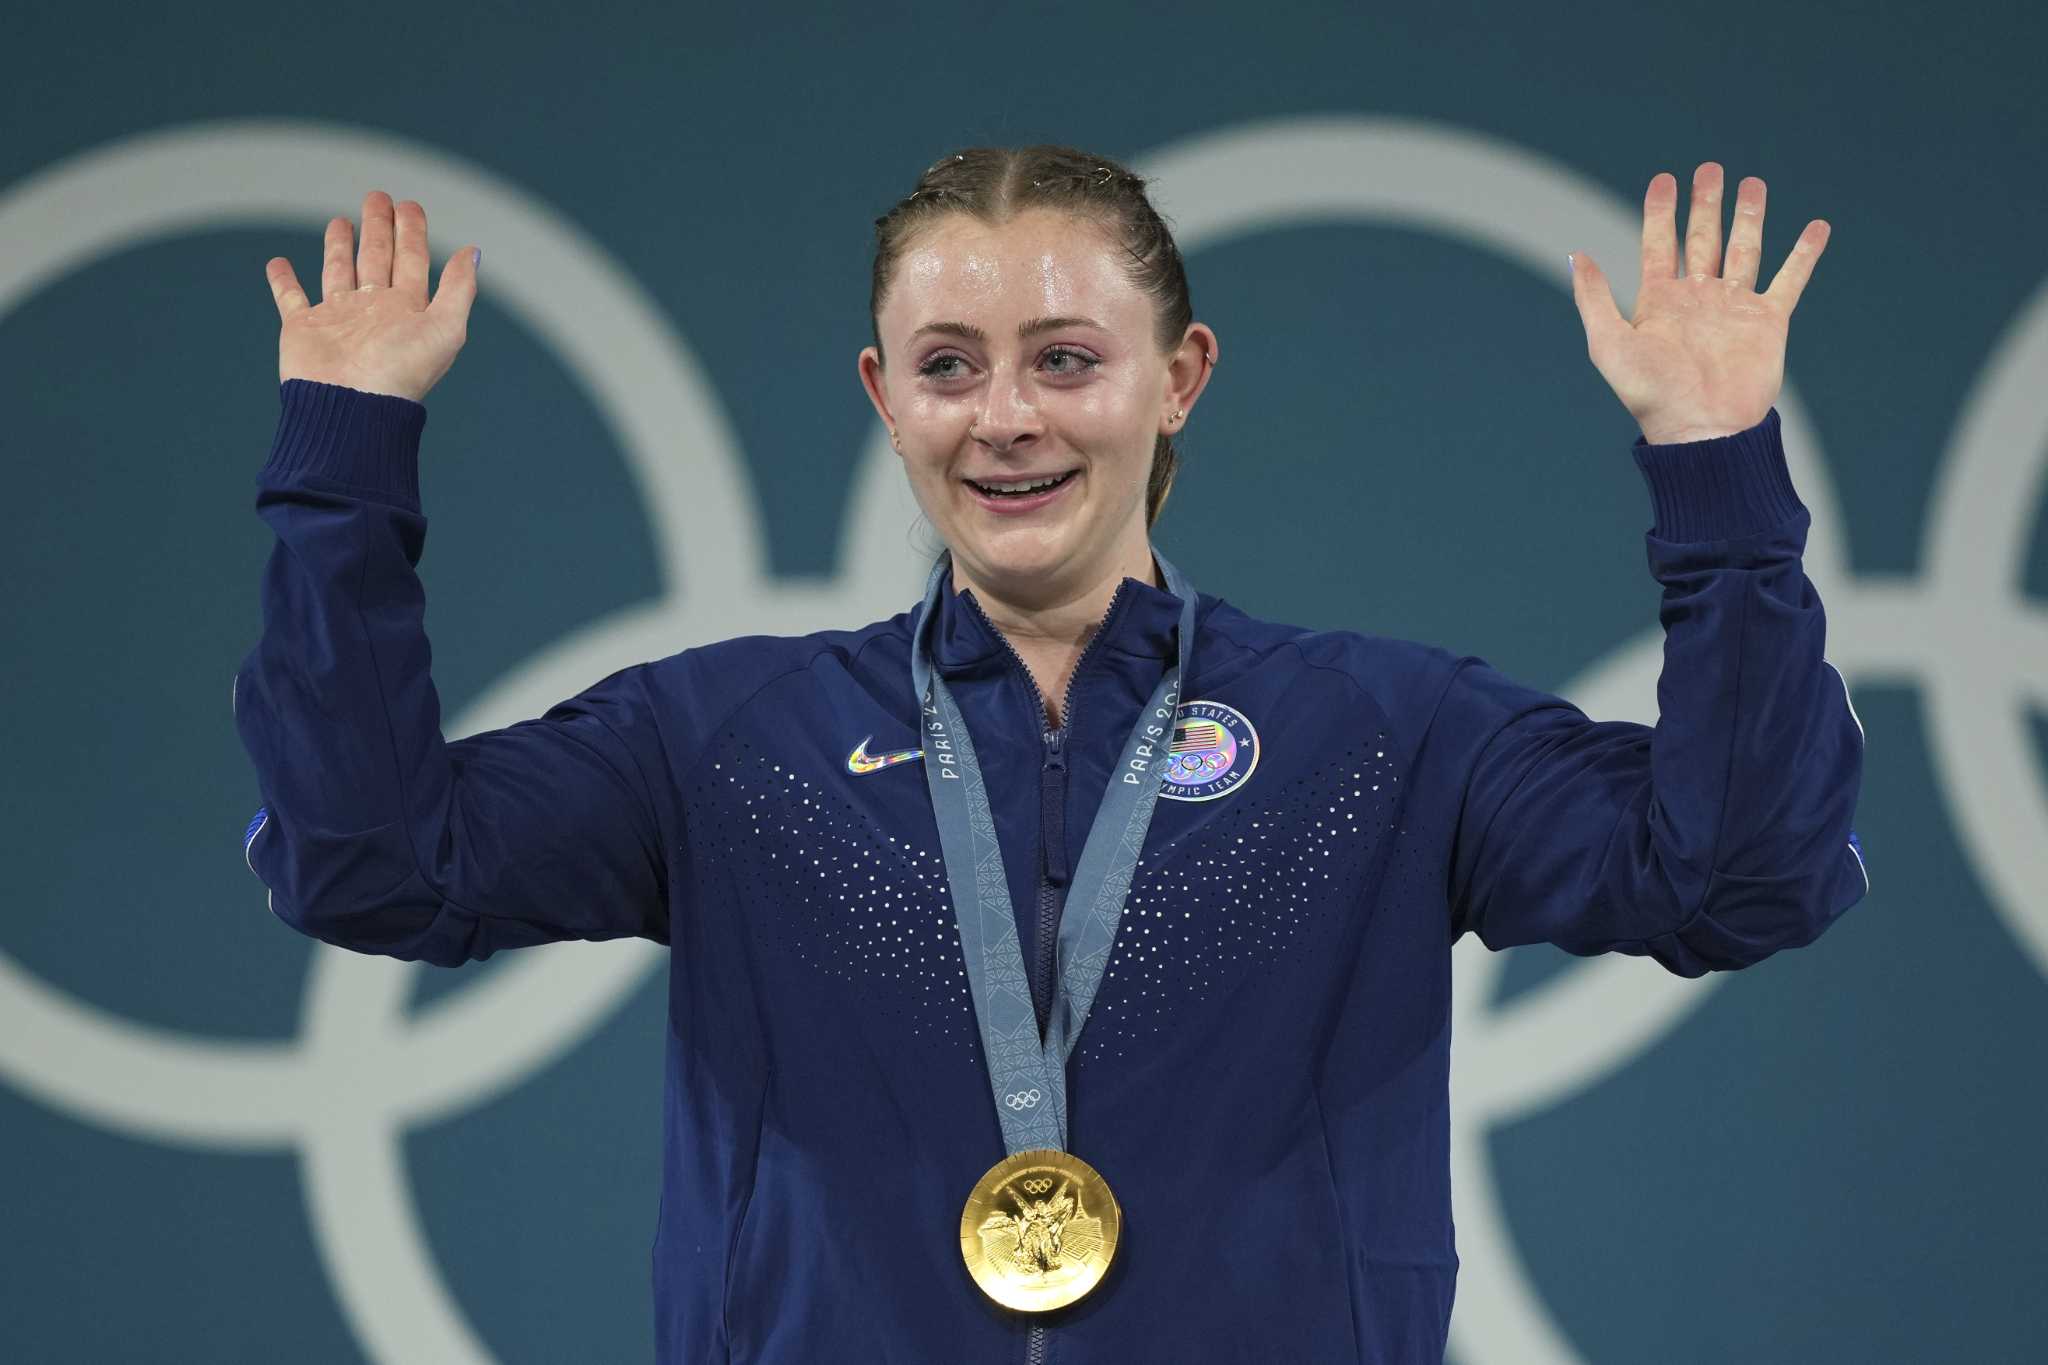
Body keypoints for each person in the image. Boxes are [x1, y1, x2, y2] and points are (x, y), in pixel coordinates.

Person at [237, 145, 1867, 1363]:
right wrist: (344, 472)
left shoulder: (1382, 733)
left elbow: (1739, 878)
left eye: (1067, 358)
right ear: (885, 397)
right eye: (949, 366)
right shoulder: (725, 741)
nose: (1005, 415)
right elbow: (373, 864)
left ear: (1181, 379)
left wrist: (1715, 473)